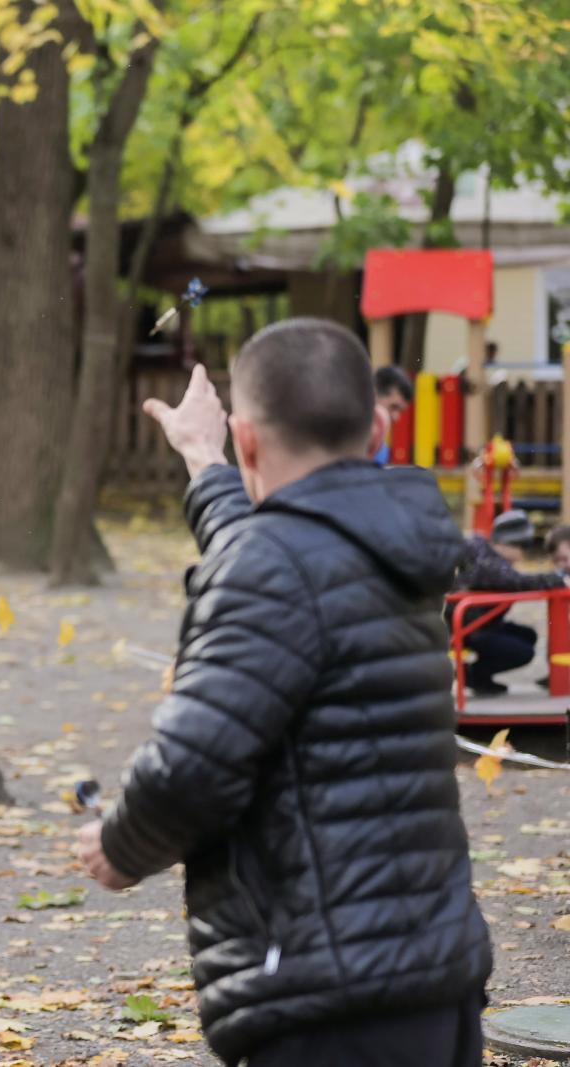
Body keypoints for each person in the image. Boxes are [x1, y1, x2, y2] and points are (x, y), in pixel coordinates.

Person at [77, 319, 491, 1067]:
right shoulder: (395, 540)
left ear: (252, 441)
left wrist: (117, 847)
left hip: (328, 1003)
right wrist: (203, 459)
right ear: (375, 424)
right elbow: (283, 553)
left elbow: (191, 768)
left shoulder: (274, 567)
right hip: (433, 983)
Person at [452, 509, 567, 695]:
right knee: (522, 652)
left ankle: (480, 676)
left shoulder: (482, 553)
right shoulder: (490, 565)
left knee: (528, 635)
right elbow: (519, 581)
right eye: (522, 548)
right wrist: (556, 579)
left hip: (479, 623)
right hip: (472, 627)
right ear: (509, 543)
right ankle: (472, 674)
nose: (523, 555)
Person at [371, 364, 413, 466]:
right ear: (373, 394)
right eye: (393, 407)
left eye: (400, 411)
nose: (396, 417)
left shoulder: (381, 451)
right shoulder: (343, 437)